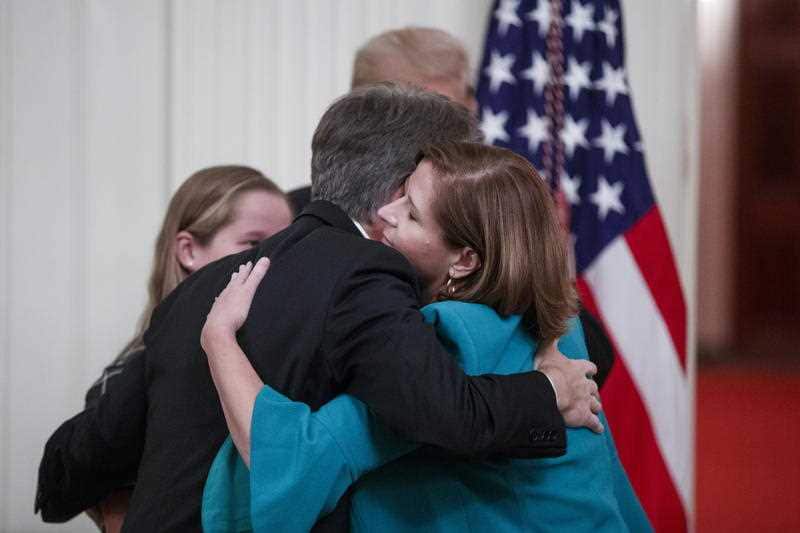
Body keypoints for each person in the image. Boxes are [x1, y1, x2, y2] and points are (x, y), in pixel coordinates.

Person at [36, 84, 601, 532]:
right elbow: (447, 415)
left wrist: (114, 508)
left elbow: (74, 460)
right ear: (399, 190)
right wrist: (552, 390)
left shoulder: (204, 286)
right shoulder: (366, 274)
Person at [200, 142, 650, 532]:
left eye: (411, 214)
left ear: (465, 260)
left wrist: (219, 339)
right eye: (400, 195)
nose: (384, 214)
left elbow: (294, 461)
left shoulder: (451, 340)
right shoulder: (563, 326)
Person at [287, 26, 616, 386]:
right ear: (364, 110)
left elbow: (592, 354)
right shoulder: (298, 220)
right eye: (417, 112)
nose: (447, 134)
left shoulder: (491, 220)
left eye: (451, 110)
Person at [35, 165, 293, 530]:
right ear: (188, 251)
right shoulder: (131, 372)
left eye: (287, 244)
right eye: (253, 243)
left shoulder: (281, 346)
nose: (275, 260)